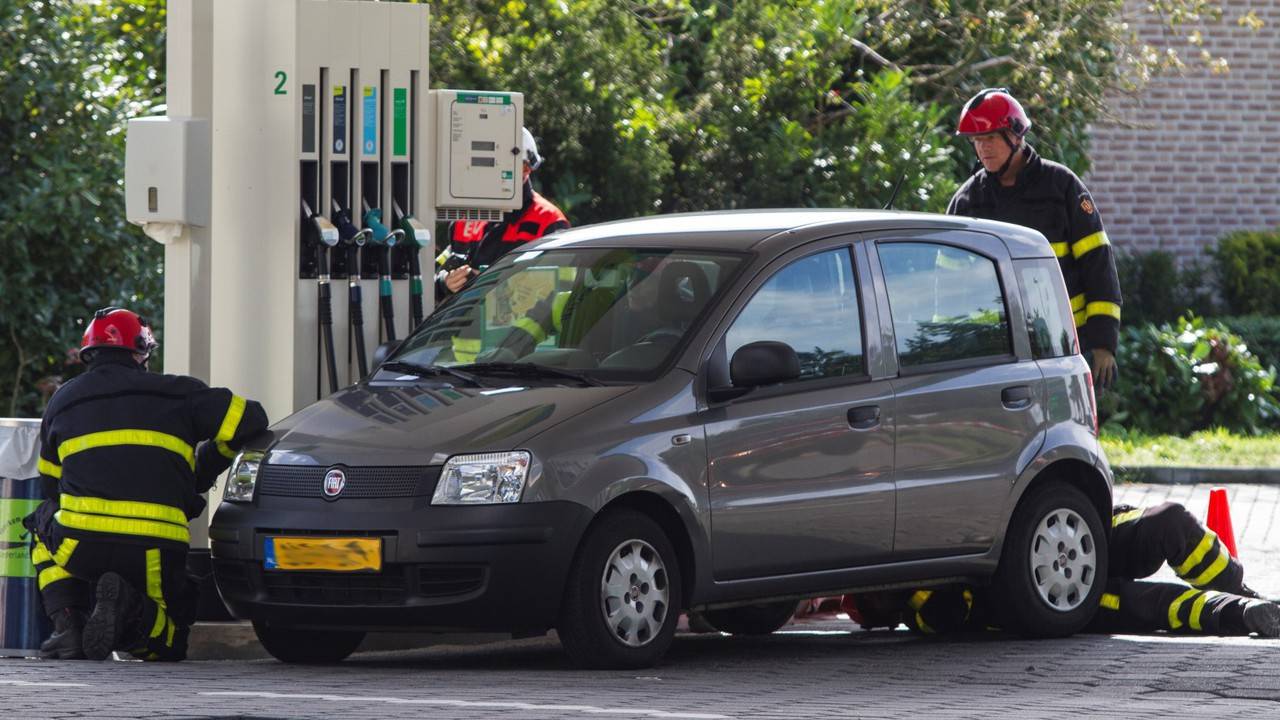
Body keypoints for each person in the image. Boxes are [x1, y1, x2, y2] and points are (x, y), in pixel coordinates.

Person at [24, 308, 267, 661]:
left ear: (89, 354)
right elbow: (251, 420)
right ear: (141, 354)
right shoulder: (178, 393)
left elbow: (51, 484)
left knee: (41, 522)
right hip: (155, 548)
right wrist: (204, 469)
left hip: (81, 543)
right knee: (168, 642)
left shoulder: (63, 400)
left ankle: (69, 628)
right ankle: (133, 609)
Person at [850, 503, 1280, 638]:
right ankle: (1241, 615)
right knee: (1150, 605)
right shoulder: (924, 611)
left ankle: (1243, 592)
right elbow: (949, 613)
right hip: (1051, 597)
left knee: (1170, 521)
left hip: (1071, 533)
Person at [946, 88, 1121, 388]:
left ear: (1015, 136)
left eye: (989, 138)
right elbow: (947, 288)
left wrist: (1103, 343)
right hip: (993, 354)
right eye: (976, 141)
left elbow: (1099, 266)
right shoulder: (967, 201)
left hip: (1064, 346)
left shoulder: (1062, 187)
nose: (982, 148)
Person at [435, 126, 570, 303]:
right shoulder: (465, 219)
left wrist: (485, 283)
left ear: (526, 169)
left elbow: (560, 289)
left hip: (521, 330)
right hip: (463, 329)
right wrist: (444, 282)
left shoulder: (549, 221)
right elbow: (437, 270)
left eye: (502, 165)